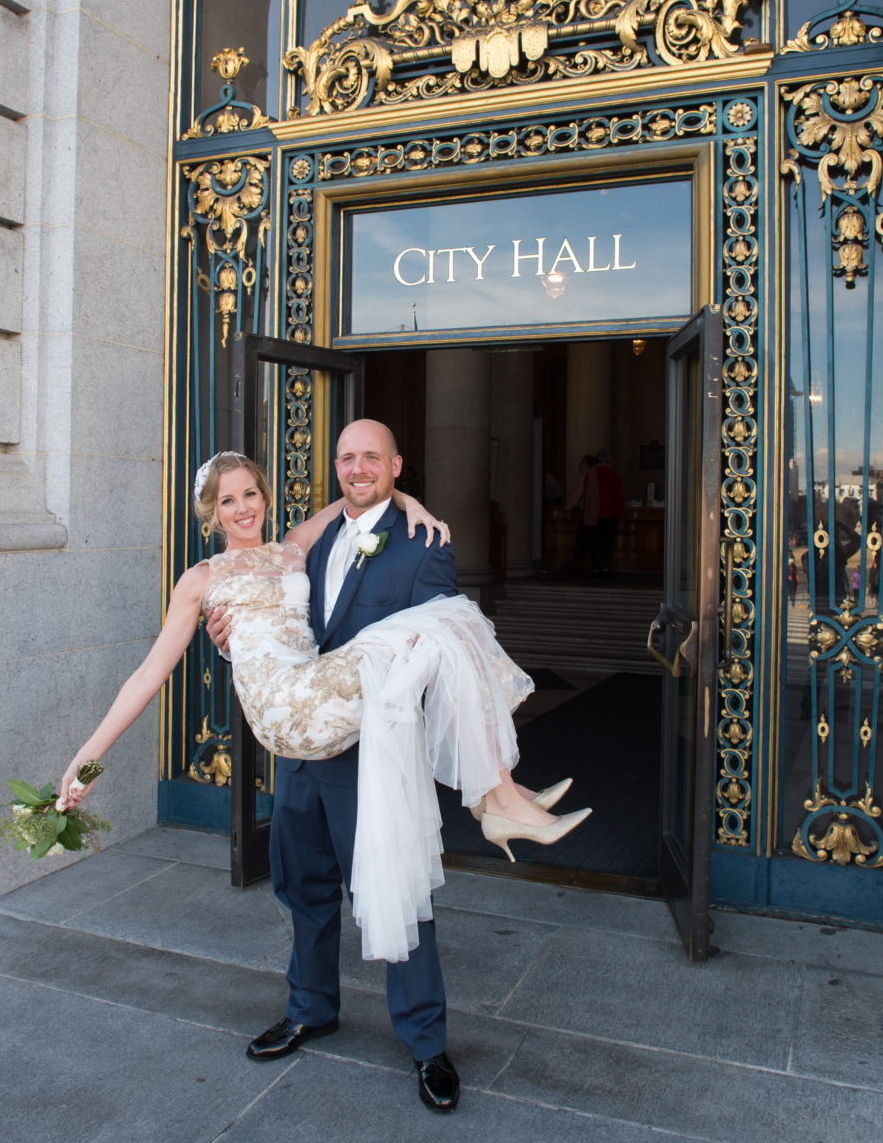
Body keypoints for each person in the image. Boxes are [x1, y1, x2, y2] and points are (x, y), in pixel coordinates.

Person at [61, 428, 589, 1114]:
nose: (245, 508)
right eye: (230, 501)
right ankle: (311, 1008)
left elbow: (364, 499)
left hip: (352, 734)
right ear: (211, 513)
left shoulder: (299, 549)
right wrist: (87, 757)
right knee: (302, 886)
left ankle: (428, 1042)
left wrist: (415, 503)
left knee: (445, 631)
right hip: (293, 734)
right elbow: (148, 674)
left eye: (252, 494)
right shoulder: (202, 581)